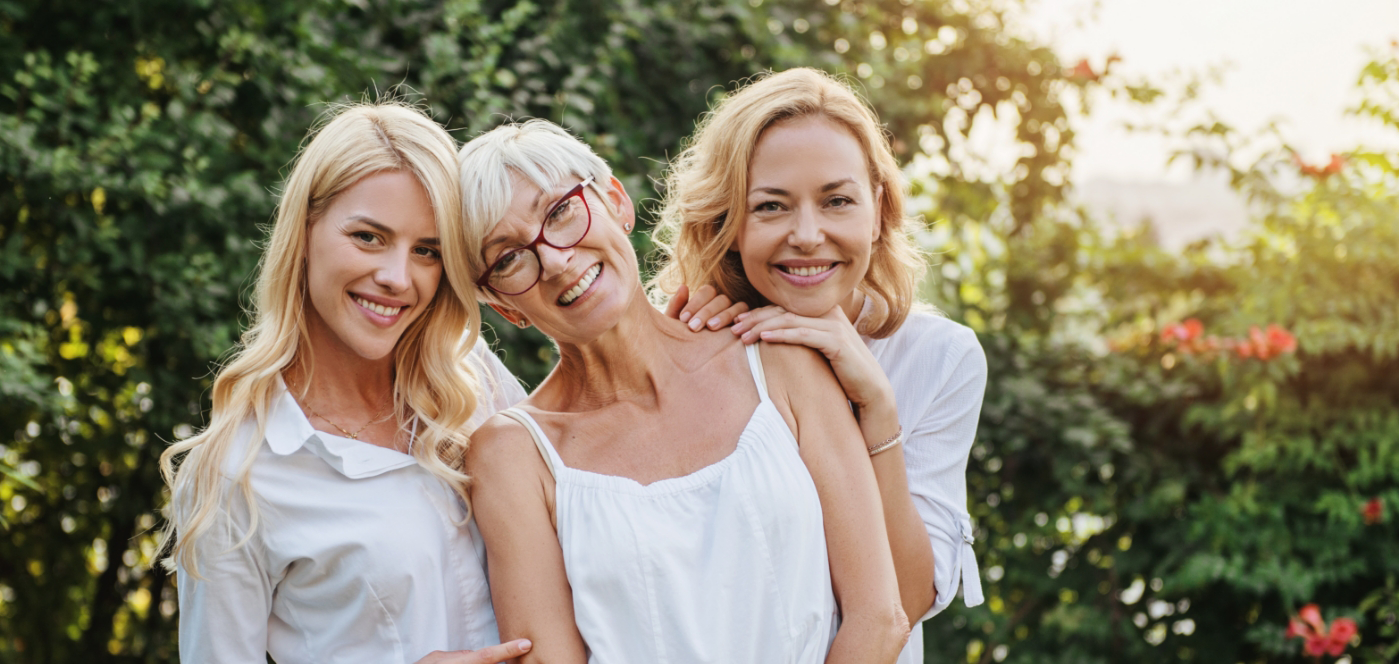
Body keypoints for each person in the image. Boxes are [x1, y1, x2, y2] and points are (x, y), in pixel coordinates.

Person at [457, 119, 909, 663]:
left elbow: (879, 619)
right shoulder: (512, 456)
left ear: (616, 202)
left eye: (560, 212)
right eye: (507, 258)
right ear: (502, 306)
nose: (554, 260)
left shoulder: (780, 361)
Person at [158, 102, 532, 664]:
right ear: (305, 231)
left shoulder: (473, 379)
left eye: (427, 250)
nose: (397, 278)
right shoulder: (240, 473)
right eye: (368, 237)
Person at [653, 67, 988, 664]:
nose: (807, 236)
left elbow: (904, 604)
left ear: (878, 205)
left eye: (837, 201)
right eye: (771, 206)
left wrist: (878, 411)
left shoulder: (940, 357)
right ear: (728, 222)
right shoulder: (694, 342)